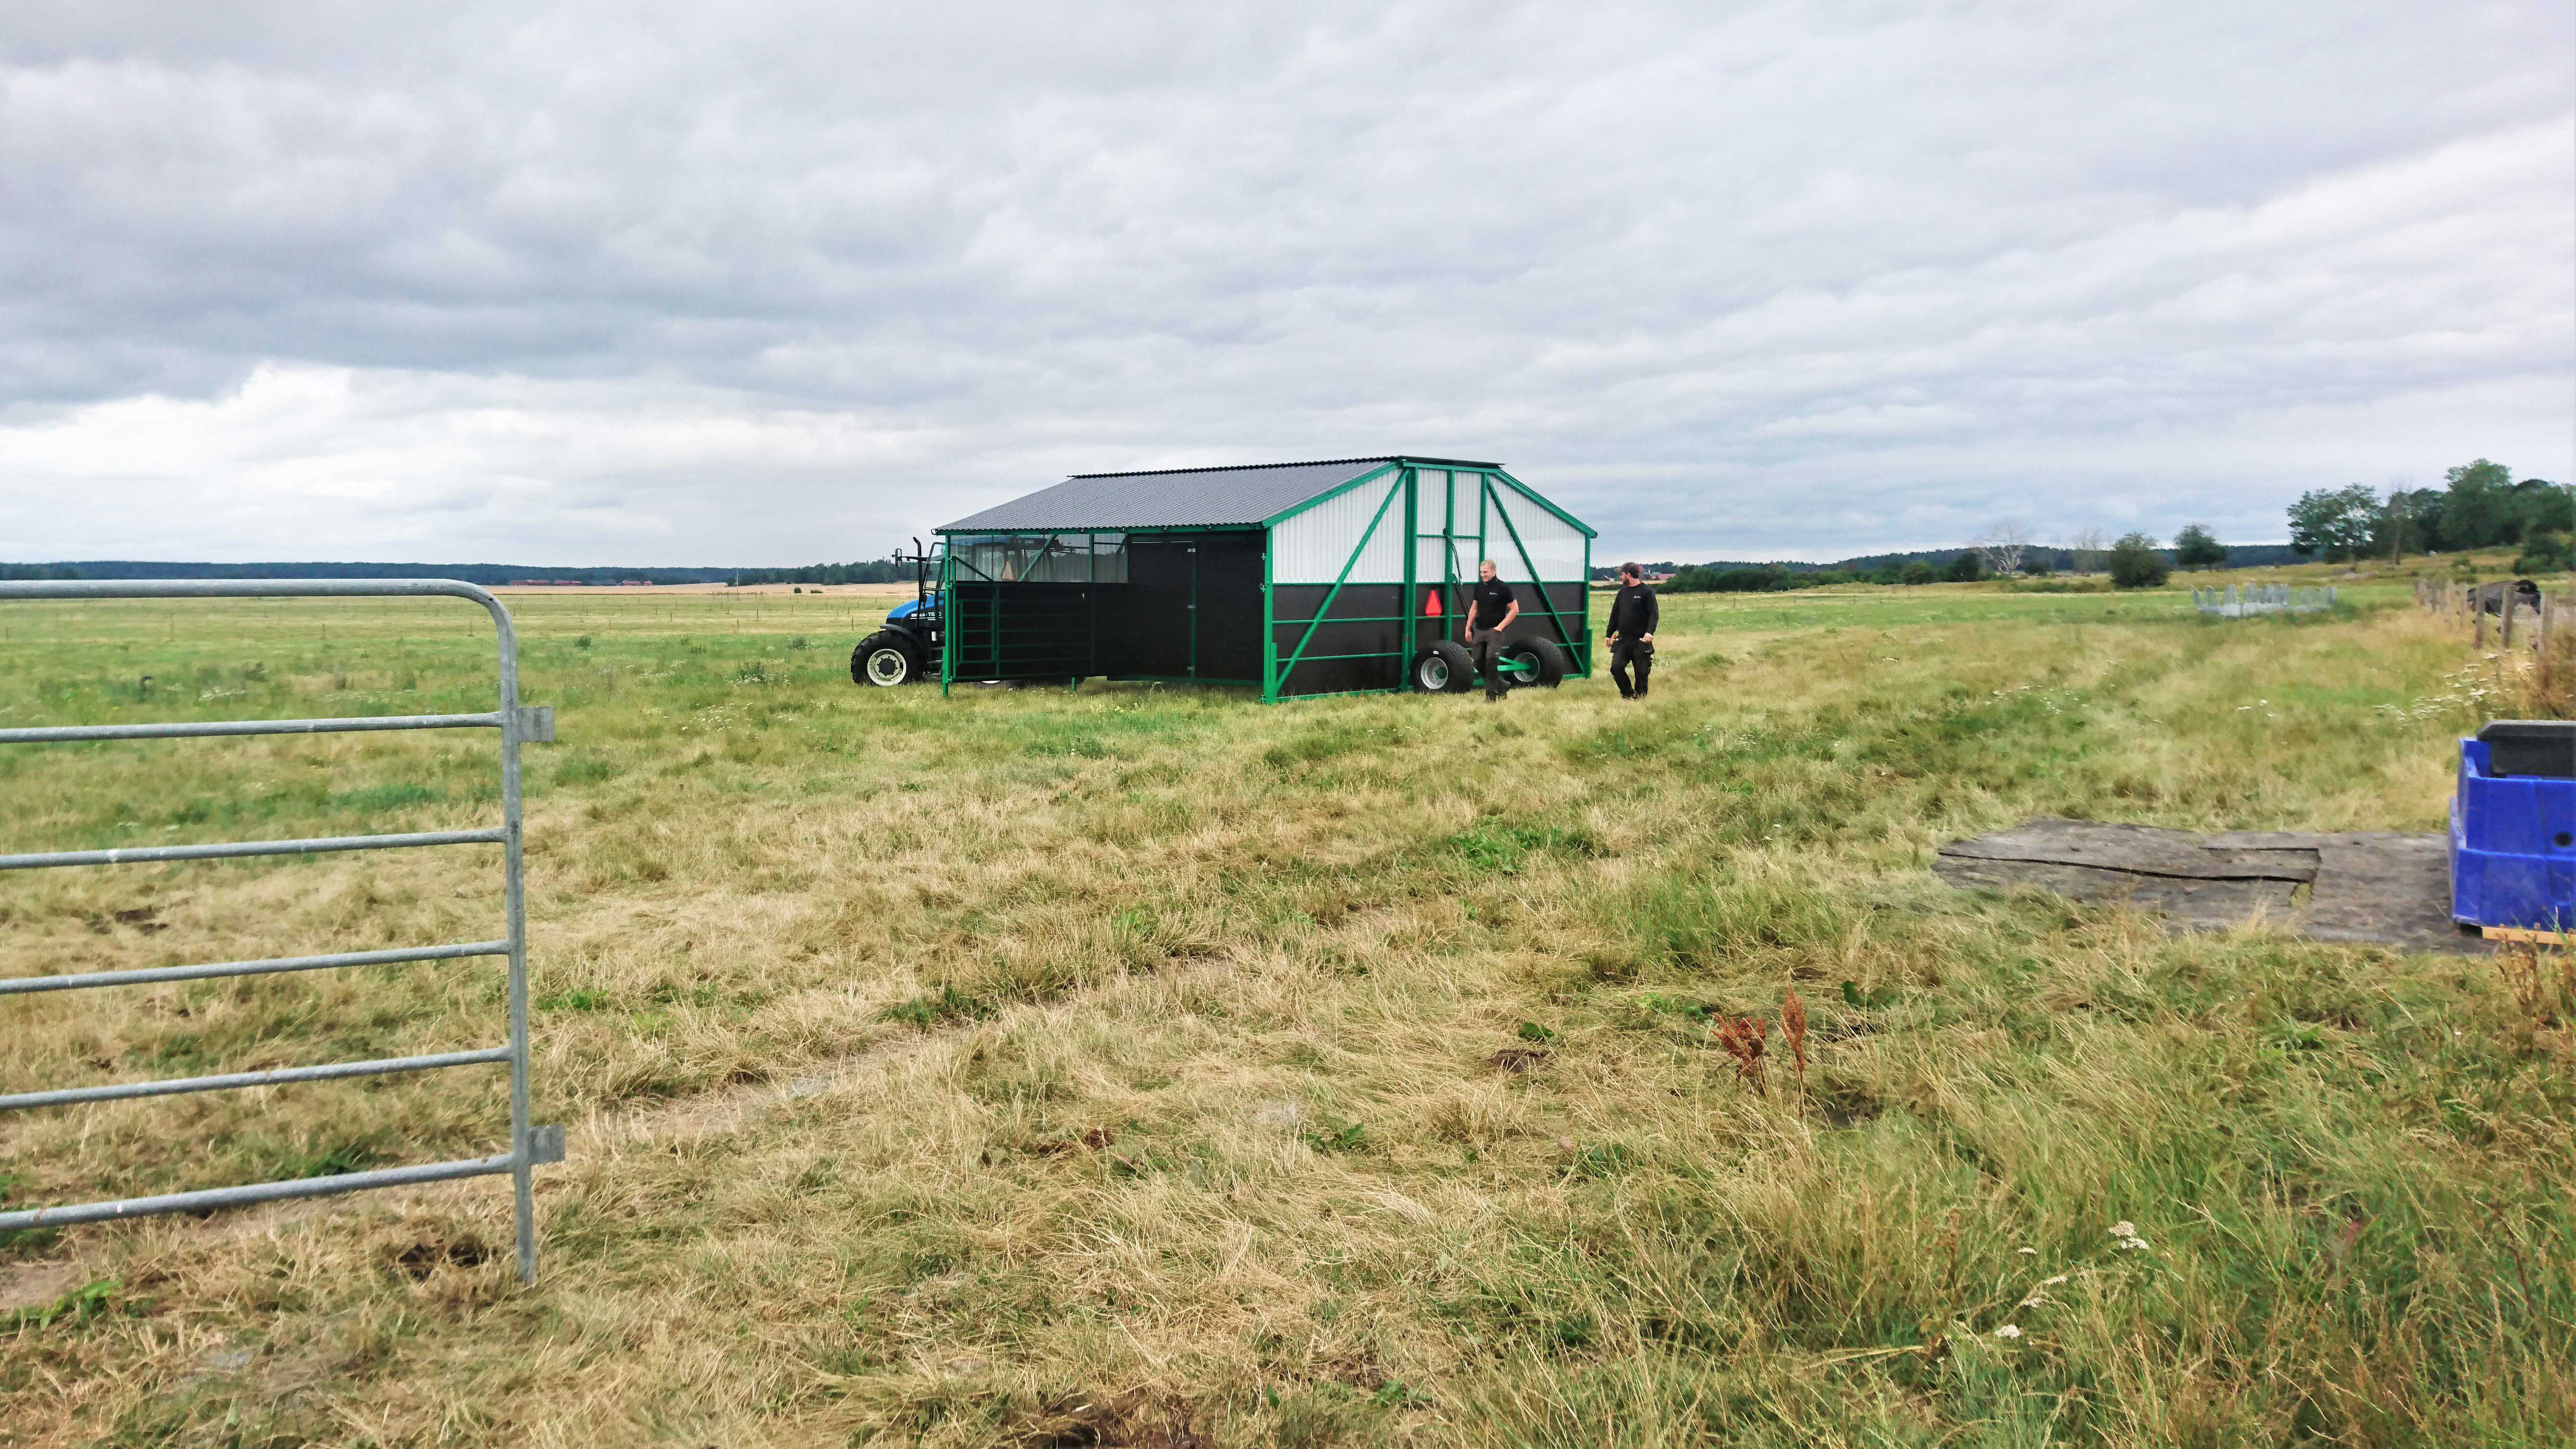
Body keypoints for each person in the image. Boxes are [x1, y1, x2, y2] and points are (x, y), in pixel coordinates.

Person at [1462, 559, 1519, 702]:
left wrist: (1500, 627)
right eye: (1481, 572)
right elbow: (1474, 609)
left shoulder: (1503, 588)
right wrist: (1468, 628)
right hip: (1480, 630)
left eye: (1486, 572)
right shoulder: (1479, 587)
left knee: (1491, 662)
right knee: (1478, 662)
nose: (1483, 575)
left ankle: (1491, 696)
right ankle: (1502, 685)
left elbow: (1515, 610)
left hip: (1495, 632)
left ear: (1494, 571)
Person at [1606, 561, 1657, 699]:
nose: (1620, 578)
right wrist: (1608, 634)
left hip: (1640, 640)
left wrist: (1649, 632)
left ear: (1629, 575)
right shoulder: (1622, 593)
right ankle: (1628, 694)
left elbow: (1654, 614)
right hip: (1623, 639)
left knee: (1641, 672)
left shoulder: (1646, 592)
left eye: (1622, 575)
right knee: (1616, 668)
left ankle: (1640, 698)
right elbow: (1615, 614)